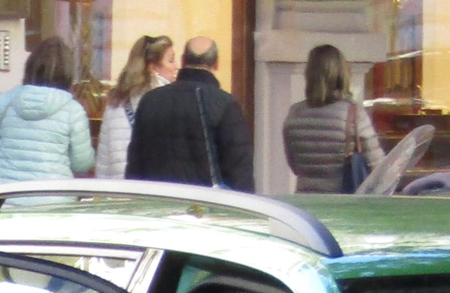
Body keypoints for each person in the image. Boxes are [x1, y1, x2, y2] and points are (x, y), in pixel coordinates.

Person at [126, 36, 253, 191]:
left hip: (156, 206)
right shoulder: (225, 105)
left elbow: (135, 166)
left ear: (183, 60)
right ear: (216, 63)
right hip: (203, 208)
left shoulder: (150, 100)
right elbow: (240, 171)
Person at [0, 35, 96, 185]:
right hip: (52, 197)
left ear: (30, 66)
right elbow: (82, 164)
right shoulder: (73, 111)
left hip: (5, 196)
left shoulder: (5, 102)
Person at [283, 44, 382, 194]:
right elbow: (378, 166)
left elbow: (294, 166)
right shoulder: (354, 114)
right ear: (341, 74)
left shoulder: (295, 113)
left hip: (305, 200)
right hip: (341, 203)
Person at [98, 34, 173, 180]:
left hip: (118, 190)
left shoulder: (116, 100)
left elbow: (103, 160)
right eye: (171, 60)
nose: (176, 66)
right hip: (153, 190)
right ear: (152, 68)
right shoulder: (167, 101)